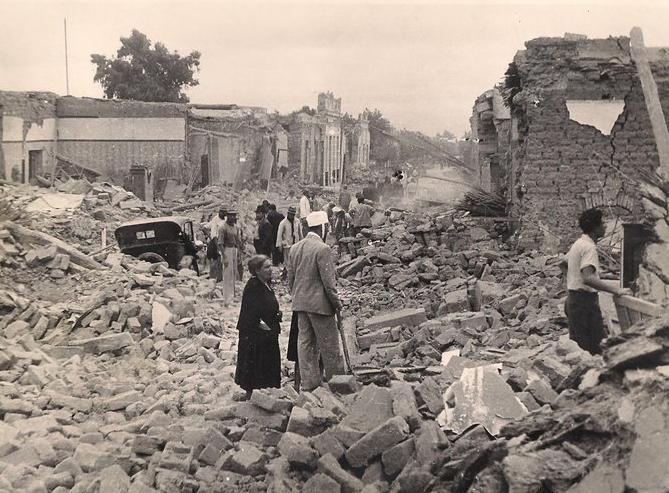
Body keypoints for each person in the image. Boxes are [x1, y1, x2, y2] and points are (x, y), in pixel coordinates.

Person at [287, 211, 345, 391]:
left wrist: (298, 296)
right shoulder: (323, 249)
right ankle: (338, 383)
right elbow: (329, 283)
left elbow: (290, 280)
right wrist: (336, 303)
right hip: (320, 306)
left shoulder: (295, 248)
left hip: (300, 304)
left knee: (305, 344)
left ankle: (309, 384)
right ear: (323, 227)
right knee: (329, 346)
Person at [561, 208, 630, 354]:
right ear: (595, 228)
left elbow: (562, 263)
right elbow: (588, 278)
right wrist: (616, 290)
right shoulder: (589, 247)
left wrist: (572, 281)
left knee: (580, 347)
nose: (605, 226)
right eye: (602, 224)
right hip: (585, 303)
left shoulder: (578, 243)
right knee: (597, 348)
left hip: (574, 299)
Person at [234, 255, 282, 400]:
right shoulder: (253, 286)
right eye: (266, 267)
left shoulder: (266, 283)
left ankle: (267, 392)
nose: (270, 269)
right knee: (255, 361)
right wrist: (266, 328)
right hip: (255, 333)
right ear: (257, 270)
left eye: (270, 266)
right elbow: (251, 314)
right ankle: (252, 393)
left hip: (268, 331)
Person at [219, 210, 242, 307]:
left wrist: (239, 253)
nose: (232, 217)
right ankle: (226, 299)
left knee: (233, 273)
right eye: (230, 215)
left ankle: (232, 296)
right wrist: (224, 256)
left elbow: (238, 241)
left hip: (234, 250)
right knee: (227, 273)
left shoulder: (236, 227)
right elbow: (220, 243)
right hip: (227, 250)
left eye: (234, 215)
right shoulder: (223, 228)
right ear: (227, 216)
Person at [276, 206, 303, 276]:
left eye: (293, 214)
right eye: (291, 214)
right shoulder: (283, 223)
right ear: (288, 213)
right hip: (287, 245)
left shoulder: (297, 221)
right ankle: (288, 274)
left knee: (296, 259)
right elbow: (279, 235)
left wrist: (302, 242)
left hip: (296, 244)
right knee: (287, 261)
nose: (292, 216)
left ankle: (294, 273)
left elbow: (300, 233)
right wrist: (279, 245)